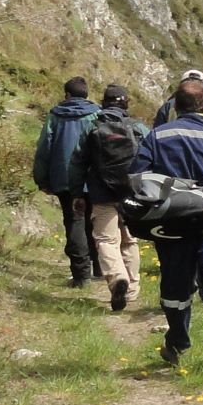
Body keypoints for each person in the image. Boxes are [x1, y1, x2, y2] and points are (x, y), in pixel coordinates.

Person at [134, 79, 203, 370]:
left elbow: (138, 176)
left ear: (174, 106)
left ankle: (177, 343)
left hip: (173, 220)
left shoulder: (157, 136)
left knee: (175, 289)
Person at [76, 84, 148, 311]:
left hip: (101, 193)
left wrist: (77, 192)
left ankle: (117, 279)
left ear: (104, 101)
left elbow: (77, 162)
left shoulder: (92, 126)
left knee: (107, 240)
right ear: (126, 103)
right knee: (130, 240)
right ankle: (133, 290)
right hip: (132, 193)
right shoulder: (137, 127)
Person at [30, 76, 101, 286]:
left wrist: (42, 180)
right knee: (94, 221)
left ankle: (81, 276)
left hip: (64, 178)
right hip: (91, 177)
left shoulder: (55, 116)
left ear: (67, 95)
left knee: (74, 221)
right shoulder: (97, 114)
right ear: (86, 95)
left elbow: (44, 149)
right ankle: (99, 267)